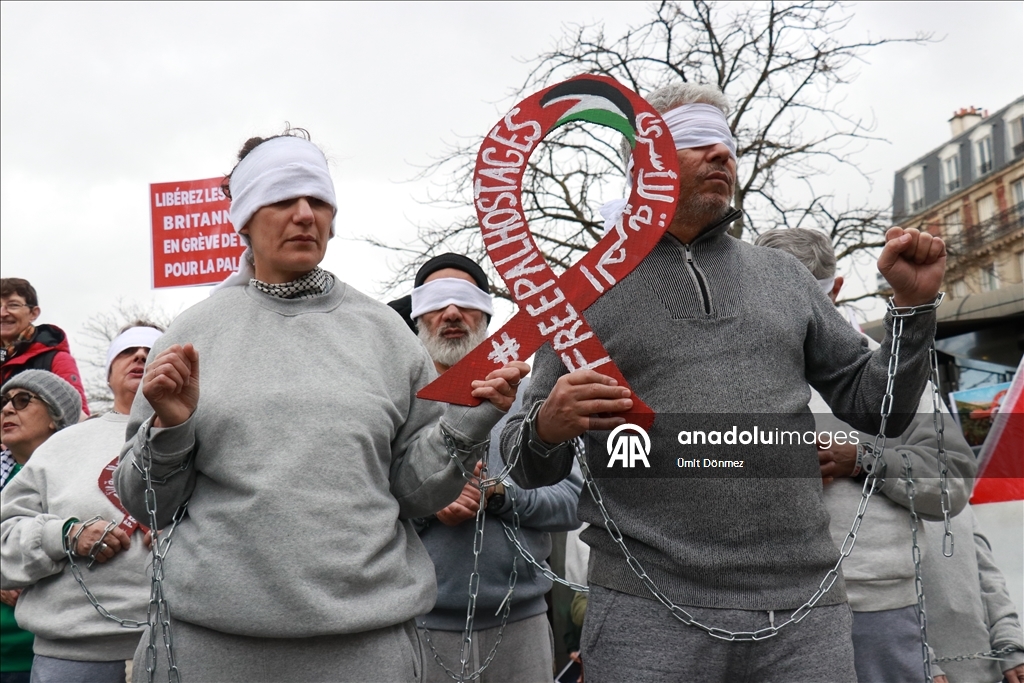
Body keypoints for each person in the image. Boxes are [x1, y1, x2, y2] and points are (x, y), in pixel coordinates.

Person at [500, 83, 947, 683]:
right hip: (645, 611)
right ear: (645, 163)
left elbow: (880, 411)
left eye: (727, 145)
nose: (722, 156)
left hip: (802, 609)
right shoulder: (582, 293)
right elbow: (525, 466)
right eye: (695, 142)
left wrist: (911, 311)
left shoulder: (784, 277)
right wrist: (547, 429)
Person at [113, 130, 528, 683]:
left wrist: (469, 424)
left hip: (365, 649)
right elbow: (147, 504)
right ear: (244, 216)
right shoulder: (191, 336)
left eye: (319, 201)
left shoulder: (385, 334)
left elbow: (416, 493)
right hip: (210, 648)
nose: (305, 215)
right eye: (283, 199)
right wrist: (172, 425)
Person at [756, 227, 977, 683]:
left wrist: (862, 458)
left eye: (805, 296)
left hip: (877, 612)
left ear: (833, 291)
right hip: (761, 612)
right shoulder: (724, 376)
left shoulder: (894, 372)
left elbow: (952, 481)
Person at [396, 253, 582, 683]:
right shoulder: (399, 406)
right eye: (437, 301)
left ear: (487, 310)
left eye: (465, 299)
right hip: (419, 625)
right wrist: (429, 503)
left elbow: (573, 501)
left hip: (522, 624)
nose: (452, 312)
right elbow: (368, 506)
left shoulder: (530, 400)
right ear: (417, 314)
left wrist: (500, 496)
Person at [0, 326, 162, 683]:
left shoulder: (208, 438)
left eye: (151, 348)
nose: (139, 356)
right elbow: (4, 539)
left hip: (183, 645)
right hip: (71, 654)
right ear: (107, 373)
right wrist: (66, 535)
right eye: (126, 351)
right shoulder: (59, 446)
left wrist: (186, 527)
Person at [0, 370, 83, 683]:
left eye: (23, 400)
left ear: (55, 417)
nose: (7, 409)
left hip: (52, 655)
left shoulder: (79, 483)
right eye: (3, 402)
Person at [922, 505, 1024, 683]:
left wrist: (1010, 644)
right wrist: (921, 663)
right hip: (919, 671)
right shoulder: (868, 502)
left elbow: (989, 580)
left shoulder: (954, 498)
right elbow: (884, 603)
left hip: (987, 672)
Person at [1, 279, 89, 415]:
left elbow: (76, 417)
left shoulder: (55, 359)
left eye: (13, 305)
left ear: (33, 313)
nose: (2, 313)